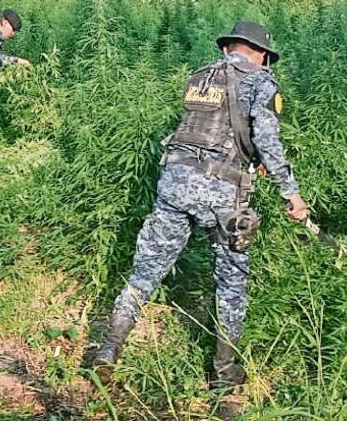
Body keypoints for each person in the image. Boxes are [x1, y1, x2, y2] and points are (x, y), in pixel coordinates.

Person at [92, 21, 309, 388]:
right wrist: (292, 194)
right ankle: (224, 372)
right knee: (231, 278)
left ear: (227, 48)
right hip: (221, 190)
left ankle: (109, 348)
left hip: (175, 180)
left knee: (146, 270)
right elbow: (267, 140)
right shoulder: (260, 81)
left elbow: (208, 127)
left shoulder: (200, 76)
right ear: (261, 54)